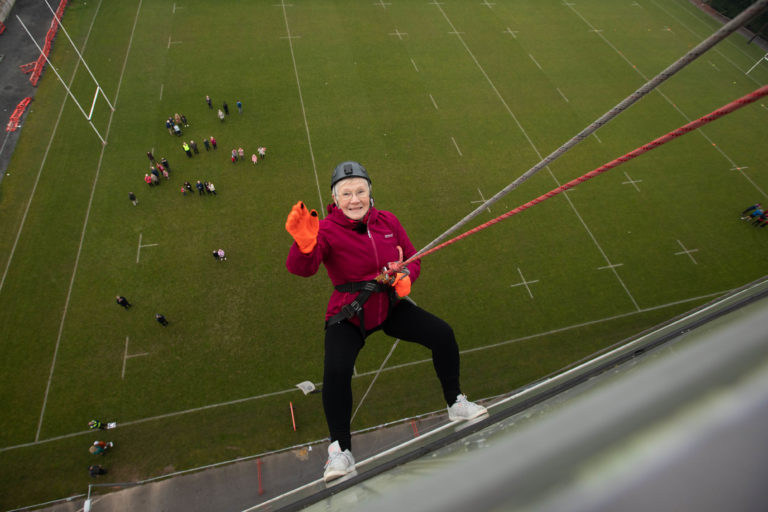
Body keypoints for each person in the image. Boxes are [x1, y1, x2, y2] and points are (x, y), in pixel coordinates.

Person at [285, 161, 487, 483]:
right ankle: (340, 450)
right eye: (347, 194)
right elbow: (302, 268)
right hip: (351, 313)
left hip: (389, 305)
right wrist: (304, 246)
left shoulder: (387, 221)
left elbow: (411, 255)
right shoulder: (325, 230)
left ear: (370, 192)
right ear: (335, 199)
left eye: (360, 191)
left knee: (442, 335)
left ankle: (455, 402)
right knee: (336, 372)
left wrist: (407, 274)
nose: (355, 200)